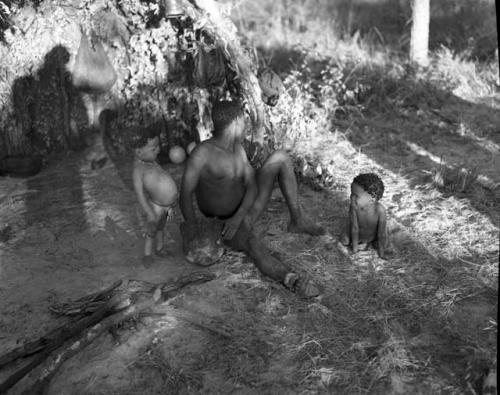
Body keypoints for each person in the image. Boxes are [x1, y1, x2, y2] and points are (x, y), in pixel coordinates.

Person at [180, 100, 325, 297]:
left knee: (280, 157)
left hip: (243, 212)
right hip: (224, 224)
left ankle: (297, 219)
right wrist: (193, 227)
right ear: (236, 121)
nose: (246, 125)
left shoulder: (237, 149)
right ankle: (291, 279)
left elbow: (251, 185)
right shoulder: (202, 154)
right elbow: (185, 193)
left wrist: (240, 215)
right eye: (244, 120)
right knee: (253, 245)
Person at [131, 126, 178, 266]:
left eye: (158, 146)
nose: (157, 150)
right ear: (139, 152)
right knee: (152, 229)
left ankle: (160, 248)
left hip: (166, 206)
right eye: (153, 148)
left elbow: (161, 177)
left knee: (161, 228)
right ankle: (147, 254)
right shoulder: (138, 170)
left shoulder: (152, 161)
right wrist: (149, 212)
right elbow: (140, 194)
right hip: (155, 206)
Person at [339, 173, 390, 259]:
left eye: (356, 196)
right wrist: (355, 250)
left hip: (372, 236)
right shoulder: (353, 208)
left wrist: (381, 253)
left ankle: (370, 243)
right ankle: (360, 244)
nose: (351, 198)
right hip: (359, 236)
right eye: (351, 194)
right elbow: (354, 228)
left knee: (383, 243)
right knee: (344, 240)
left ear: (372, 199)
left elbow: (381, 233)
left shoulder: (380, 210)